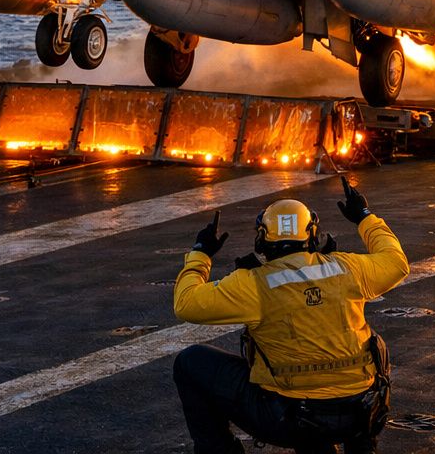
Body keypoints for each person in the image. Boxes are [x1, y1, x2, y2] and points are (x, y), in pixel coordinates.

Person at [172, 178, 410, 454]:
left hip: (292, 419)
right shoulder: (347, 268)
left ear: (262, 239)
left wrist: (200, 254)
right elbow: (396, 262)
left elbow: (185, 303)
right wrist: (364, 218)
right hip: (361, 411)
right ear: (312, 235)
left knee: (191, 362)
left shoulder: (253, 283)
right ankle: (361, 444)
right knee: (372, 342)